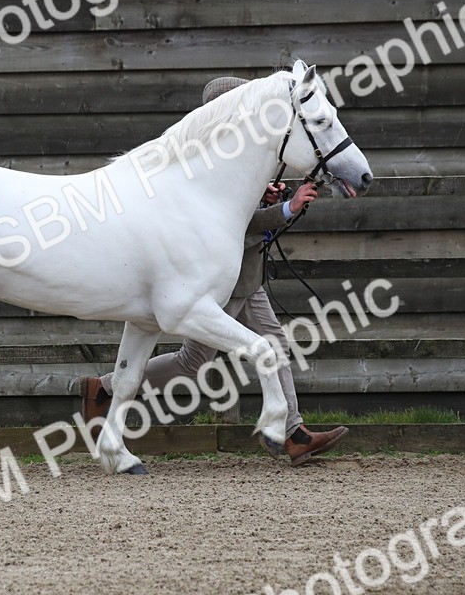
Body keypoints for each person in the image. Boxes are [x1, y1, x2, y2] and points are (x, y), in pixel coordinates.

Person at [79, 76, 348, 466]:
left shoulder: (240, 157)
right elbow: (232, 227)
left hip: (246, 275)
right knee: (223, 355)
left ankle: (293, 431)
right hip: (224, 279)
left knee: (239, 351)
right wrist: (286, 209)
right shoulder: (209, 158)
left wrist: (269, 197)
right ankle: (292, 433)